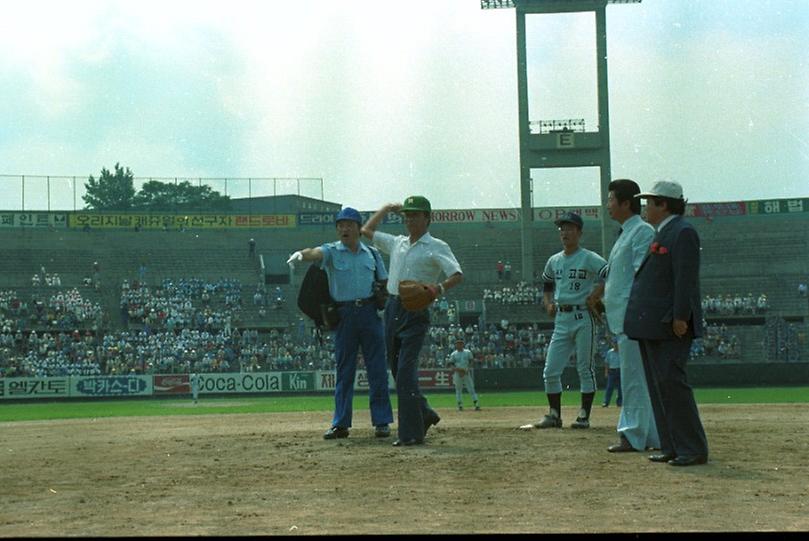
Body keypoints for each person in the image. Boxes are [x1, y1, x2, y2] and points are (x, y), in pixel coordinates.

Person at [361, 195, 463, 447]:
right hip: (393, 306)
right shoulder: (398, 243)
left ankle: (410, 433)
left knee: (405, 372)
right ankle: (424, 412)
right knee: (397, 371)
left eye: (415, 215)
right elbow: (366, 230)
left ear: (428, 218)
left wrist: (436, 289)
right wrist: (385, 208)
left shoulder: (436, 245)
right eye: (407, 215)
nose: (409, 219)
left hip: (417, 309)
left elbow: (456, 274)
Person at [286, 207, 394, 440]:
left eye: (349, 225)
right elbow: (315, 252)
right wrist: (301, 254)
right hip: (344, 314)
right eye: (340, 225)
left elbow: (384, 281)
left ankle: (382, 422)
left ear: (358, 228)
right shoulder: (332, 252)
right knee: (344, 371)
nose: (344, 229)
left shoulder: (373, 254)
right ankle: (341, 423)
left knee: (377, 370)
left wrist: (384, 294)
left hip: (368, 312)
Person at [624, 180, 709, 466]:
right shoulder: (665, 232)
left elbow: (685, 278)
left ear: (664, 204)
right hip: (654, 324)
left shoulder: (682, 231)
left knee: (672, 383)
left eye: (650, 202)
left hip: (669, 324)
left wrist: (680, 316)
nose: (646, 207)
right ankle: (673, 446)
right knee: (660, 385)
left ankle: (692, 448)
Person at [519, 212, 606, 431]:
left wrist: (596, 294)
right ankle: (554, 415)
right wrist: (548, 303)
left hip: (583, 316)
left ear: (579, 232)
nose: (564, 232)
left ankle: (584, 415)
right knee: (550, 369)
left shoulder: (588, 257)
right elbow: (547, 285)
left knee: (585, 368)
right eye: (561, 229)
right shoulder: (554, 260)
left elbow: (609, 273)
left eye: (569, 228)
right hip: (562, 317)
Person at [592, 178, 660, 453]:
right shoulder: (626, 233)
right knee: (638, 378)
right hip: (623, 317)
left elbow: (641, 276)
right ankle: (652, 436)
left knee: (633, 378)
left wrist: (634, 314)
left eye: (610, 200)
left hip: (633, 318)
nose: (607, 205)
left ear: (625, 203)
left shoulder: (641, 232)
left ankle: (632, 434)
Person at [448, 338, 480, 411]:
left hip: (466, 372)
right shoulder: (454, 354)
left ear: (463, 344)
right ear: (456, 345)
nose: (459, 345)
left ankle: (476, 404)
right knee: (458, 389)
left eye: (460, 343)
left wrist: (467, 369)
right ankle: (460, 405)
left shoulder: (467, 352)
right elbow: (451, 364)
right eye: (458, 343)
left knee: (471, 388)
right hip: (457, 373)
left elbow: (471, 361)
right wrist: (459, 370)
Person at [601, 339, 622, 408]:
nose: (615, 345)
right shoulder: (609, 352)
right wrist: (606, 372)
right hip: (612, 371)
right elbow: (607, 363)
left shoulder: (621, 352)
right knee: (609, 387)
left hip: (620, 371)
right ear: (613, 344)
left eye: (617, 343)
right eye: (614, 343)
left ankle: (619, 402)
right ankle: (606, 402)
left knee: (620, 388)